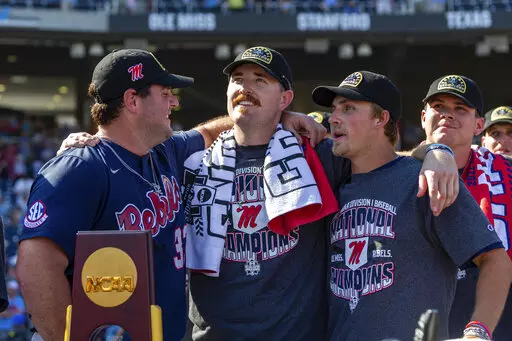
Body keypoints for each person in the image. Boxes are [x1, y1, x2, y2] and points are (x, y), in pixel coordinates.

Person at [57, 48, 460, 341]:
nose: (244, 88)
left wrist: (436, 152)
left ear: (285, 99)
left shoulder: (317, 152)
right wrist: (94, 140)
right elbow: (129, 143)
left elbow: (383, 157)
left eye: (260, 81)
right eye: (238, 80)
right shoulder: (190, 158)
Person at [15, 49, 238, 341]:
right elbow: (35, 264)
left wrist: (280, 117)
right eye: (165, 92)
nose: (174, 101)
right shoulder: (80, 167)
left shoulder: (164, 151)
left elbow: (211, 132)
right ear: (132, 100)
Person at [311, 70, 512, 341]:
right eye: (334, 109)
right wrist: (288, 116)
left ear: (381, 119)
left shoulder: (429, 179)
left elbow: (495, 260)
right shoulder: (329, 180)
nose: (334, 118)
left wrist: (477, 332)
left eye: (348, 109)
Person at [419, 74, 512, 341]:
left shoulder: (505, 172)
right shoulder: (397, 170)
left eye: (460, 109)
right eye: (439, 106)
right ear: (424, 116)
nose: (448, 115)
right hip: (421, 310)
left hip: (496, 314)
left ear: (478, 125)